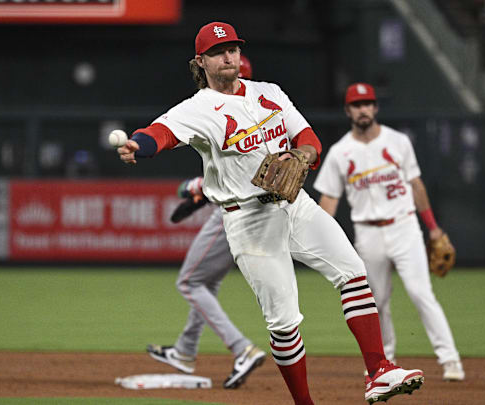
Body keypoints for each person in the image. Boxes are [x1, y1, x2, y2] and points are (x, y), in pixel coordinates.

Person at [117, 22, 424, 404]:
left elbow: (308, 138)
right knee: (284, 323)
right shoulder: (197, 109)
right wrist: (138, 145)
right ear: (201, 62)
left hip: (295, 204)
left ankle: (379, 371)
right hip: (248, 221)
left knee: (353, 272)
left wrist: (303, 155)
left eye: (232, 49)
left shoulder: (270, 93)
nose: (228, 56)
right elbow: (159, 133)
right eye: (218, 51)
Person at [313, 83, 465, 382]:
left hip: (404, 226)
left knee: (422, 294)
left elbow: (416, 185)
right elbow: (328, 202)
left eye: (368, 103)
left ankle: (450, 360)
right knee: (376, 300)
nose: (363, 109)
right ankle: (385, 362)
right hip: (367, 233)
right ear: (348, 111)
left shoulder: (398, 142)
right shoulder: (339, 153)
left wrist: (432, 229)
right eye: (357, 105)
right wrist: (320, 240)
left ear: (376, 107)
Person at [146, 55, 265, 390]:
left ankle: (241, 349)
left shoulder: (218, 111)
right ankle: (184, 351)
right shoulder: (264, 114)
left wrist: (195, 188)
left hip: (232, 214)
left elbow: (225, 177)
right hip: (258, 214)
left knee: (189, 283)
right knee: (206, 283)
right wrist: (200, 189)